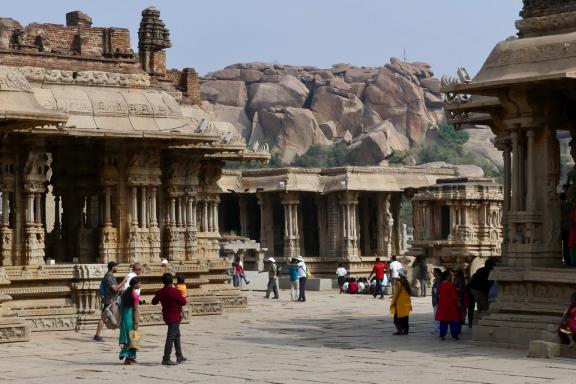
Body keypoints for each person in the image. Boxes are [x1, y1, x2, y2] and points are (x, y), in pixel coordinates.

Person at [152, 273, 187, 366]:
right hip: (174, 316)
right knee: (171, 337)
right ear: (172, 281)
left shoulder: (161, 291)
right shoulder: (174, 291)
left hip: (167, 316)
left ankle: (179, 355)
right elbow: (183, 302)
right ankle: (166, 358)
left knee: (176, 335)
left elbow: (154, 302)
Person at [94, 261, 128, 342]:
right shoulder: (108, 277)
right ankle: (97, 335)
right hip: (110, 301)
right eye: (116, 266)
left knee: (119, 316)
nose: (117, 268)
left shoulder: (111, 276)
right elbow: (115, 288)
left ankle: (124, 334)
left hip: (113, 300)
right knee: (103, 317)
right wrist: (124, 281)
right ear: (112, 267)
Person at [119, 277, 141, 365]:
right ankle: (127, 357)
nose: (140, 285)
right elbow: (135, 310)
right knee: (132, 338)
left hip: (124, 317)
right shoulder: (135, 295)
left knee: (130, 337)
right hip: (130, 318)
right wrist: (136, 321)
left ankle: (131, 357)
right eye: (140, 283)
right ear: (135, 284)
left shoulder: (125, 293)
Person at [436, 271, 460, 340]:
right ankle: (454, 334)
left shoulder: (441, 284)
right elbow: (454, 295)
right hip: (451, 304)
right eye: (450, 275)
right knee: (453, 320)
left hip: (442, 304)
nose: (451, 277)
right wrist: (458, 301)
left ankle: (442, 335)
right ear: (447, 276)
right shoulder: (450, 284)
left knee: (443, 320)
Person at [390, 269, 412, 335]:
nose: (398, 274)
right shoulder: (407, 282)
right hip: (406, 301)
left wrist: (393, 299)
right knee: (405, 316)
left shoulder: (399, 282)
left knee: (397, 317)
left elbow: (397, 292)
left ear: (401, 274)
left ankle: (400, 330)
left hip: (400, 302)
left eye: (399, 273)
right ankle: (406, 330)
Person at [452, 269, 467, 335]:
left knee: (460, 314)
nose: (454, 273)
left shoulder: (460, 279)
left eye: (455, 271)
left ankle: (459, 329)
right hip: (456, 298)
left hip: (459, 299)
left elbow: (461, 289)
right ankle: (457, 328)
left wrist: (453, 288)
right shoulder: (455, 278)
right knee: (456, 314)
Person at [561, 193, 572, 266]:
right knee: (567, 244)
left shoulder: (560, 205)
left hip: (562, 227)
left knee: (565, 244)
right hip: (569, 227)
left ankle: (566, 258)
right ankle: (568, 260)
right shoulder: (569, 205)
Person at [431, 268, 442, 335]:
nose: (433, 274)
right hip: (436, 300)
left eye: (434, 272)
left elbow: (437, 291)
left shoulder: (438, 280)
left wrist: (435, 300)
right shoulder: (437, 280)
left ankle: (437, 328)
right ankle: (437, 327)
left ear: (437, 273)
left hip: (437, 300)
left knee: (436, 314)